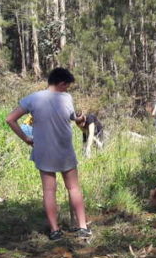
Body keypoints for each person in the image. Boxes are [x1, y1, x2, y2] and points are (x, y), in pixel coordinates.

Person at [5, 67, 91, 241]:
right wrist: (79, 119)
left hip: (43, 151)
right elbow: (72, 117)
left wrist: (26, 139)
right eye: (67, 86)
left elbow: (10, 119)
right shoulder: (66, 97)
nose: (67, 89)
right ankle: (82, 226)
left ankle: (55, 230)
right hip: (64, 150)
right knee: (73, 187)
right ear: (61, 83)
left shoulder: (32, 99)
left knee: (49, 191)